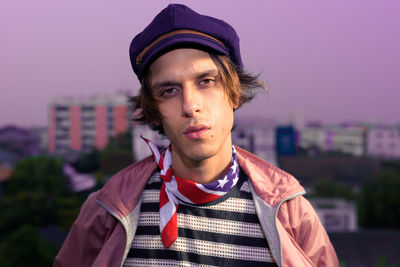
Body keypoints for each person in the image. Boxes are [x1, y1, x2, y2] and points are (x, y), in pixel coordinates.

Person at [54, 4, 338, 267]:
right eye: (169, 91)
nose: (191, 106)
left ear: (234, 91)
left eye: (206, 81)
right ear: (153, 110)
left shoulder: (290, 212)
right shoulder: (107, 211)